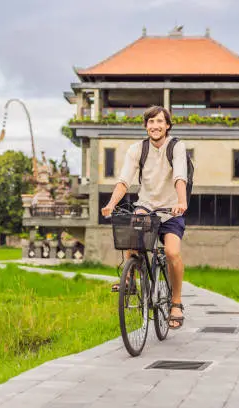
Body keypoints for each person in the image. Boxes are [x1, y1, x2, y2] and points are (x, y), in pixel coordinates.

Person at [101, 105, 188, 329]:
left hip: (171, 210)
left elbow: (180, 176)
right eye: (150, 122)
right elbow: (124, 180)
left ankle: (176, 302)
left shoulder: (176, 147)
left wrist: (181, 201)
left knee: (172, 252)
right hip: (146, 205)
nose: (155, 126)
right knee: (131, 229)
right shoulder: (137, 149)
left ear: (167, 125)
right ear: (146, 126)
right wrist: (111, 203)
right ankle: (130, 279)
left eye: (159, 121)